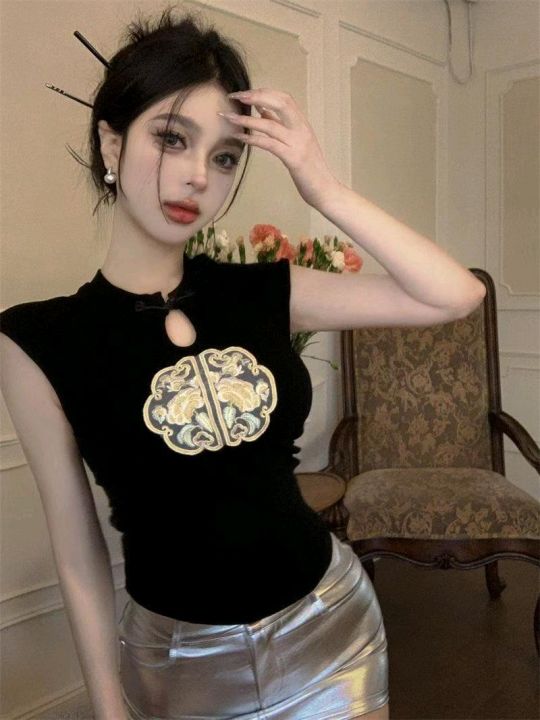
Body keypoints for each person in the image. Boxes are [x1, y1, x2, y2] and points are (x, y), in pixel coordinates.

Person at [0, 5, 486, 720]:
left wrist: (323, 187)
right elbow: (78, 553)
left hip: (331, 629)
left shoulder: (263, 291)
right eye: (172, 138)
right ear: (111, 140)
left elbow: (456, 295)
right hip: (180, 668)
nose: (198, 175)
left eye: (225, 156)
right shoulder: (38, 341)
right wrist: (107, 709)